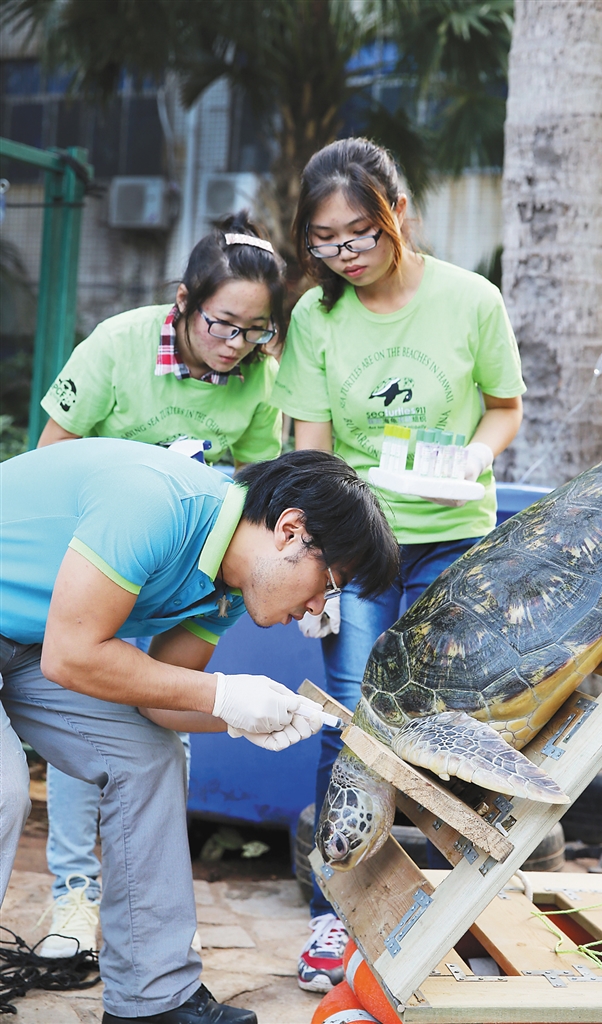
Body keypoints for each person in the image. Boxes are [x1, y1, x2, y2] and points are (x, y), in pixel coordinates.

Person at [0, 440, 399, 1024]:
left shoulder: (226, 588)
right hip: (52, 645)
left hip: (30, 642)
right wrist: (225, 696)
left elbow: (159, 702)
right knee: (4, 789)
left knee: (148, 758)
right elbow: (73, 655)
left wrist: (252, 715)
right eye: (328, 583)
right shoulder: (154, 501)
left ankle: (152, 1001)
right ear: (290, 531)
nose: (318, 608)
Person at [272, 137, 525, 993]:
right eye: (323, 240)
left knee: (458, 725)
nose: (343, 254)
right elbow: (312, 453)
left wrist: (475, 459)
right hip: (359, 547)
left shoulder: (470, 299)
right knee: (352, 722)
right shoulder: (316, 319)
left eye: (359, 234)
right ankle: (333, 915)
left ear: (397, 214)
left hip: (454, 539)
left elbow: (503, 406)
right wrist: (315, 571)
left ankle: (463, 909)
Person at [35, 211, 286, 956]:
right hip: (94, 564)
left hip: (181, 578)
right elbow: (52, 454)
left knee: (168, 718)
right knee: (83, 722)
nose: (235, 344)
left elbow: (254, 489)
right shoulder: (119, 344)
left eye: (255, 331)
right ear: (183, 301)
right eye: (222, 324)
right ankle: (73, 897)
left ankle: (151, 906)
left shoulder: (260, 380)